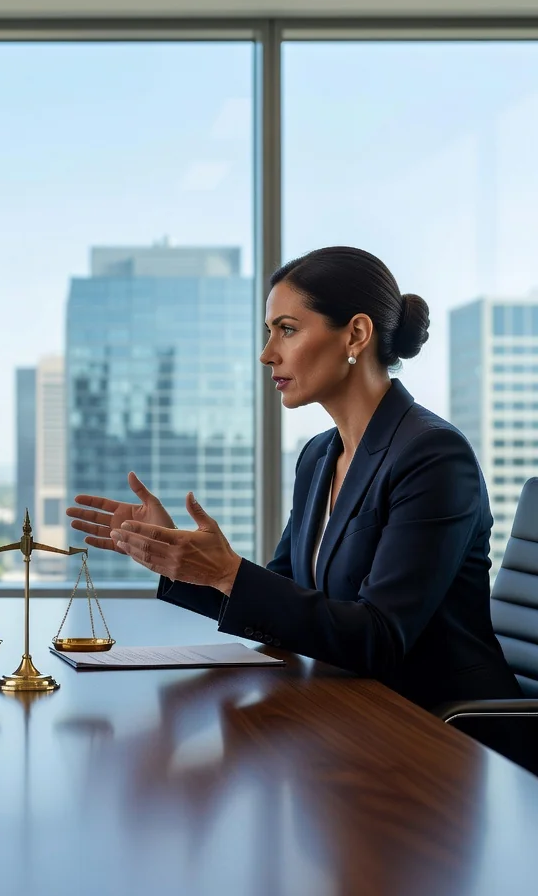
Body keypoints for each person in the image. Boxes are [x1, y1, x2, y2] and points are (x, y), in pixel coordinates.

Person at [67, 246, 521, 714]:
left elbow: (381, 637)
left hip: (443, 730)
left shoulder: (434, 456)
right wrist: (177, 557)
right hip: (351, 712)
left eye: (287, 330)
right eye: (269, 332)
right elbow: (284, 599)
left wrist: (227, 571)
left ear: (356, 335)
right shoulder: (319, 456)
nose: (267, 355)